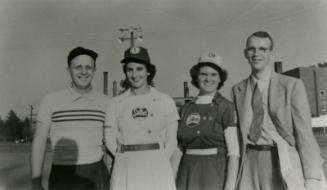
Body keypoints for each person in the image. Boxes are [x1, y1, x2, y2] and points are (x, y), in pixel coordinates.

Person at [232, 31, 323, 190]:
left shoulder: (292, 85)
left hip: (281, 158)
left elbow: (305, 133)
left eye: (263, 49)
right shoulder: (237, 90)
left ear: (271, 54)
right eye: (251, 49)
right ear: (245, 53)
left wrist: (312, 177)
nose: (256, 54)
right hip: (249, 161)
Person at [31, 47, 110, 190]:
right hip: (62, 174)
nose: (84, 72)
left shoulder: (106, 102)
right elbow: (39, 142)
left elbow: (110, 143)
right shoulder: (50, 100)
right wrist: (36, 182)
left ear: (94, 70)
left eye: (88, 67)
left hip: (96, 173)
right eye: (78, 67)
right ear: (68, 69)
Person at [104, 46, 179, 190]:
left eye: (139, 69)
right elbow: (109, 138)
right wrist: (123, 157)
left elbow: (171, 140)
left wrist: (159, 158)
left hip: (156, 164)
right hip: (126, 164)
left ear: (148, 71)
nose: (134, 75)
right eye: (129, 70)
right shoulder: (115, 103)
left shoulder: (165, 100)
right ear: (125, 72)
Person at [176, 52, 240, 190]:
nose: (208, 79)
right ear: (196, 77)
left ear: (220, 79)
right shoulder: (185, 109)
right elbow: (179, 149)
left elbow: (234, 152)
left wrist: (229, 187)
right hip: (186, 173)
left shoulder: (226, 107)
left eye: (213, 74)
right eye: (203, 74)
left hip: (214, 174)